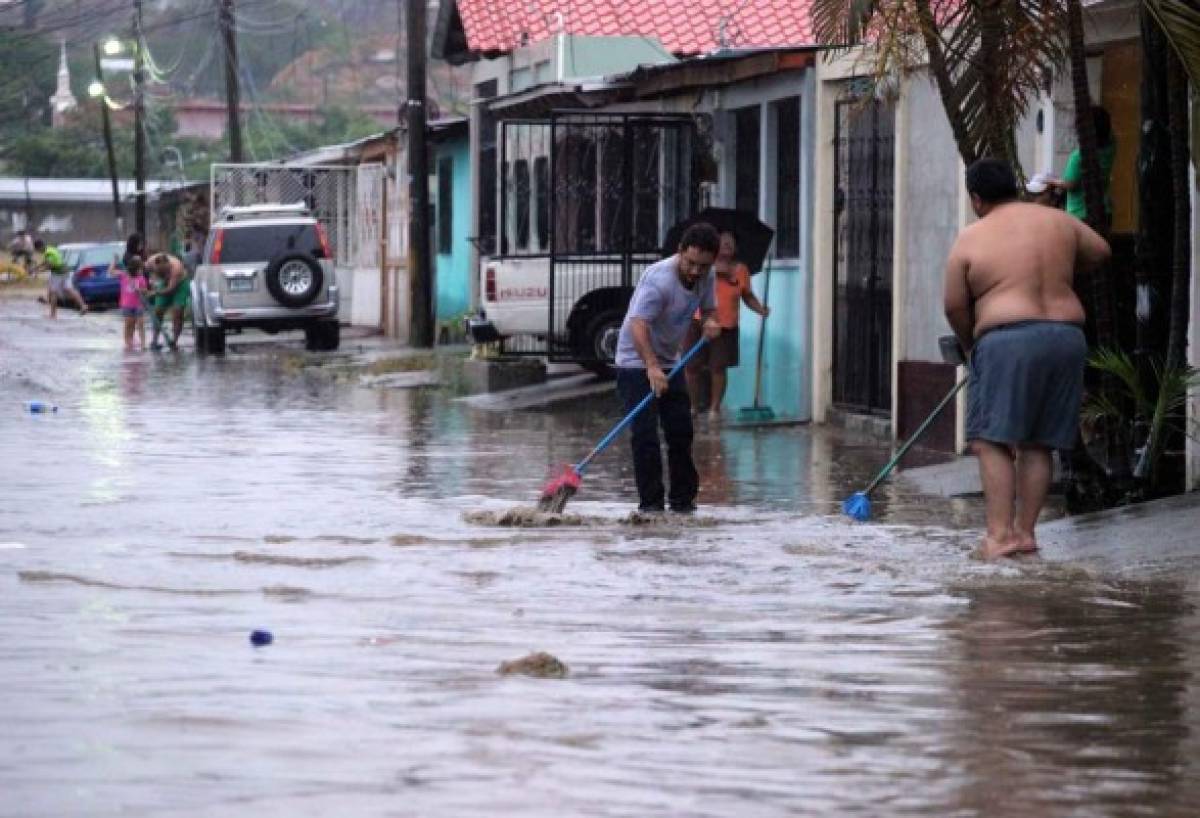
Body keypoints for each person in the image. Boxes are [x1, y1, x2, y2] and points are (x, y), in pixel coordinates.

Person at [943, 158, 1110, 559]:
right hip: (1066, 337)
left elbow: (953, 305)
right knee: (1039, 442)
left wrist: (972, 345)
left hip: (1007, 337)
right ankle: (1026, 532)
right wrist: (1063, 269)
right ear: (1015, 188)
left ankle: (999, 536)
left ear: (976, 199)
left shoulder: (972, 236)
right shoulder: (1058, 222)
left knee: (991, 441)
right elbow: (1102, 252)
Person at [613, 222, 721, 514]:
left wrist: (710, 321)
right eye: (691, 263)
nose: (696, 272)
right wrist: (650, 367)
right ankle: (651, 507)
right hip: (636, 362)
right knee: (645, 435)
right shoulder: (659, 281)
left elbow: (708, 309)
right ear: (680, 252)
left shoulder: (707, 275)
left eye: (703, 266)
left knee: (681, 431)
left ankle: (683, 504)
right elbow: (638, 324)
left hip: (671, 362)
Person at [682, 230, 770, 422]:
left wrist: (760, 309)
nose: (726, 246)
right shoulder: (703, 266)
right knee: (691, 366)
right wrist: (714, 271)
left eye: (730, 244)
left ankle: (715, 409)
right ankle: (693, 407)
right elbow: (689, 283)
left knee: (718, 367)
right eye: (722, 242)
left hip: (726, 325)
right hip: (698, 321)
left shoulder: (741, 270)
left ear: (735, 249)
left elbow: (747, 295)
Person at [1051, 106, 1115, 224]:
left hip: (1081, 215)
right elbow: (1109, 133)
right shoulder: (1111, 147)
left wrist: (1052, 181)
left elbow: (1070, 184)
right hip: (1104, 211)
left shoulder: (1078, 157)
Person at [147, 252, 189, 349]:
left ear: (168, 265)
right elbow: (146, 274)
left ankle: (174, 341)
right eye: (161, 271)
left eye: (166, 271)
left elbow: (170, 290)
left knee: (178, 312)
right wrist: (151, 283)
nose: (165, 273)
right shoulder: (150, 262)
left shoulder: (176, 268)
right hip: (164, 283)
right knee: (158, 311)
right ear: (155, 266)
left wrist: (155, 293)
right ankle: (154, 340)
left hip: (179, 284)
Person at [36, 239, 87, 318]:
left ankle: (53, 314)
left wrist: (39, 271)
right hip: (65, 270)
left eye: (37, 250)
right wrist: (36, 267)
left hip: (58, 273)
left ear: (39, 247)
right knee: (69, 289)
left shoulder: (48, 253)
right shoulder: (51, 249)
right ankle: (83, 306)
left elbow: (50, 265)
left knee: (53, 293)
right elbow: (46, 262)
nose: (38, 252)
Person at [116, 255, 148, 350]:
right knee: (129, 324)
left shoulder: (141, 278)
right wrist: (114, 262)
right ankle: (128, 342)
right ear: (134, 269)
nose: (141, 271)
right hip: (127, 304)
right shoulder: (124, 276)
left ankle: (143, 343)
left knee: (141, 323)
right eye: (139, 269)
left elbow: (145, 290)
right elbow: (110, 272)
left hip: (138, 304)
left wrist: (140, 290)